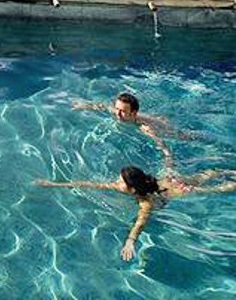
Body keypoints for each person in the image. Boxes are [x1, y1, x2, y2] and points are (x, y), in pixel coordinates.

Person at [36, 164, 236, 260]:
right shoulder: (128, 187)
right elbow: (90, 184)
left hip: (176, 191)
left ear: (132, 189)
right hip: (169, 180)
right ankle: (227, 172)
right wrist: (55, 184)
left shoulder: (145, 202)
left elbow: (141, 222)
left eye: (120, 182)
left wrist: (130, 241)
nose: (115, 183)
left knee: (213, 189)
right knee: (204, 176)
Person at [72, 92, 179, 159]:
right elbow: (103, 106)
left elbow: (162, 145)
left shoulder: (144, 127)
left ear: (133, 113)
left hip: (166, 129)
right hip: (155, 119)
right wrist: (84, 105)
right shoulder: (117, 111)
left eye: (123, 111)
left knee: (187, 136)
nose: (117, 113)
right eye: (117, 109)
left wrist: (168, 162)